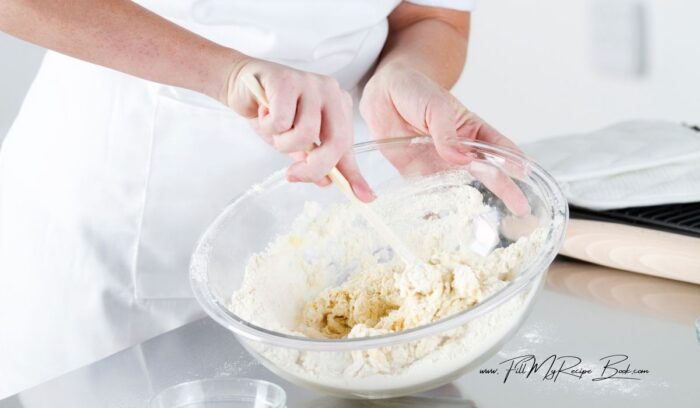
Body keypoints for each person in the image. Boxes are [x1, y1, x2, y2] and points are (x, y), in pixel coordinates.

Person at [0, 0, 523, 397]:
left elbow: (432, 16)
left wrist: (404, 73)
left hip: (346, 213)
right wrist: (224, 71)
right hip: (123, 221)